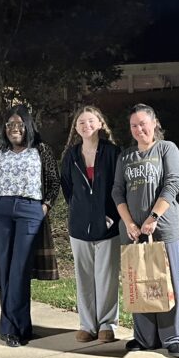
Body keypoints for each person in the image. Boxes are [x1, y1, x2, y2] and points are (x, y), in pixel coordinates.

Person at [112, 103, 179, 358]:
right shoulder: (126, 157)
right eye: (134, 125)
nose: (139, 129)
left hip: (162, 228)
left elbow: (173, 183)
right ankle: (145, 337)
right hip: (133, 231)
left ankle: (174, 338)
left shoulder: (167, 149)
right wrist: (129, 223)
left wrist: (154, 217)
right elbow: (117, 191)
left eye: (143, 123)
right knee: (139, 283)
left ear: (154, 123)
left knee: (167, 282)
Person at [0, 104, 60, 348]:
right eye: (10, 125)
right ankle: (14, 329)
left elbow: (53, 181)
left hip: (29, 211)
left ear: (28, 126)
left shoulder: (41, 150)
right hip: (0, 211)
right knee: (4, 270)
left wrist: (44, 207)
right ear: (5, 129)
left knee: (20, 270)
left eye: (19, 124)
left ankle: (15, 328)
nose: (15, 128)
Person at [60, 106, 122, 343]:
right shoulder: (71, 156)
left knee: (107, 277)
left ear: (100, 124)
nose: (86, 125)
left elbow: (119, 187)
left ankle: (107, 324)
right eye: (82, 123)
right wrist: (81, 211)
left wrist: (109, 214)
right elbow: (68, 188)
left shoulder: (112, 153)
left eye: (91, 121)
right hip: (79, 227)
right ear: (76, 128)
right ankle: (87, 324)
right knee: (84, 277)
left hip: (109, 226)